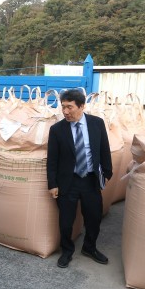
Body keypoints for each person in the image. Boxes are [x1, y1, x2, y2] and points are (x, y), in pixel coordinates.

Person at [47, 88, 113, 269]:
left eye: (70, 107)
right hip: (68, 182)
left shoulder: (96, 124)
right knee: (66, 221)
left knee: (94, 217)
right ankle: (67, 251)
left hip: (90, 180)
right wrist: (52, 184)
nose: (65, 111)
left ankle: (89, 247)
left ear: (82, 106)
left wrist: (107, 173)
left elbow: (104, 149)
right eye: (63, 107)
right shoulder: (57, 130)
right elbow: (52, 160)